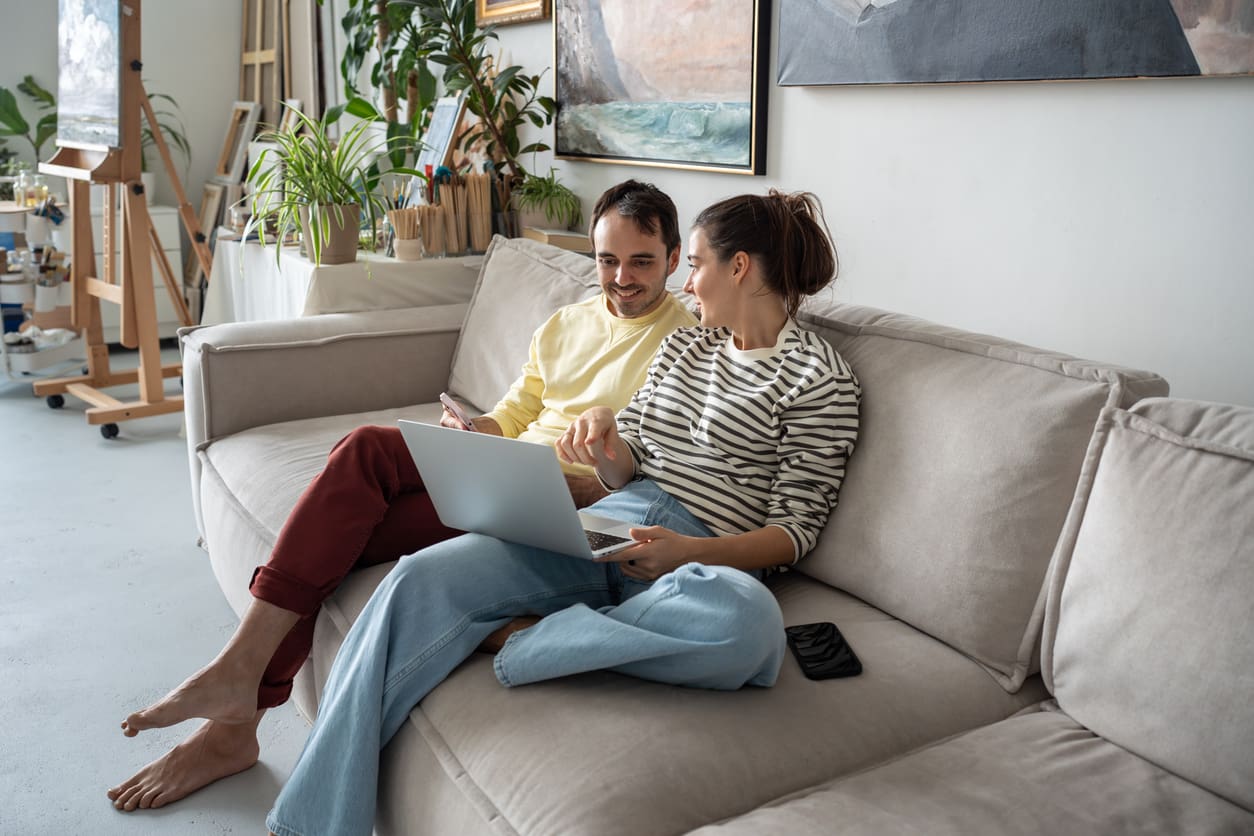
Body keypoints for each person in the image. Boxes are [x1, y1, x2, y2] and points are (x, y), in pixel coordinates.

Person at [262, 189, 861, 836]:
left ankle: (526, 638)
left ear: (739, 268)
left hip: (699, 560)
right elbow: (627, 463)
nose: (687, 285)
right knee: (416, 581)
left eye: (694, 265)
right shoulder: (687, 349)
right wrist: (607, 440)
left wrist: (685, 553)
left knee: (750, 628)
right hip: (608, 522)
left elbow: (794, 532)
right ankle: (309, 824)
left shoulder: (819, 380)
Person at [108, 180, 698, 812]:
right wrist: (471, 435)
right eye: (608, 260)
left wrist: (558, 474)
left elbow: (642, 476)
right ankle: (236, 710)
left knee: (359, 470)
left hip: (569, 504)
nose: (622, 277)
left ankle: (235, 701)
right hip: (501, 474)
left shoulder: (687, 344)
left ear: (671, 260)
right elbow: (513, 413)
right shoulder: (565, 323)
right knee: (354, 485)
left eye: (641, 261)